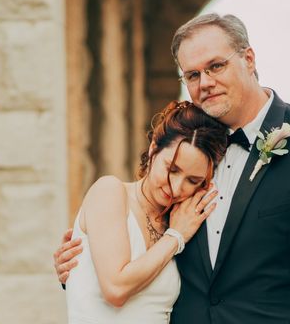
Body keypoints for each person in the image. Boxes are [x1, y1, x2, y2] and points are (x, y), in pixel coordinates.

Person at [55, 13, 290, 323]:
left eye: (215, 66)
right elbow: (136, 256)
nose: (205, 82)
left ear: (249, 60)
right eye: (193, 75)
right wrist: (83, 268)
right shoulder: (188, 157)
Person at [63, 100, 228, 323]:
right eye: (172, 169)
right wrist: (176, 237)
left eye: (193, 180)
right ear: (153, 150)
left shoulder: (183, 221)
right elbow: (115, 289)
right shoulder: (109, 192)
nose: (176, 187)